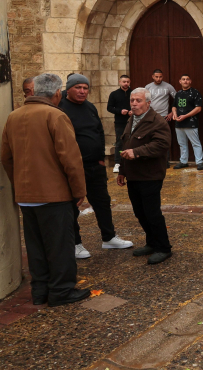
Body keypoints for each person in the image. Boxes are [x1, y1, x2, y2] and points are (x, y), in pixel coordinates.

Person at [1, 73, 91, 306]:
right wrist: (79, 190)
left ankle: (40, 290)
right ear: (57, 93)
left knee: (36, 246)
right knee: (60, 246)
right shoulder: (55, 115)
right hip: (54, 195)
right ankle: (61, 290)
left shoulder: (13, 116)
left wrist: (19, 184)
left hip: (26, 196)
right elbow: (70, 158)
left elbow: (6, 157)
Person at [60, 73, 134, 259]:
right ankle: (75, 243)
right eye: (78, 87)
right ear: (68, 89)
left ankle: (109, 237)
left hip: (95, 165)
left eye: (85, 88)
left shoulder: (90, 107)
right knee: (72, 205)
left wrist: (101, 158)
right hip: (74, 167)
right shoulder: (60, 108)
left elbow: (99, 132)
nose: (82, 91)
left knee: (102, 202)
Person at [117, 87, 173, 264]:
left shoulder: (157, 121)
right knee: (140, 212)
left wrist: (137, 152)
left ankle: (163, 248)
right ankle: (152, 242)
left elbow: (162, 144)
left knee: (152, 213)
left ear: (148, 103)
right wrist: (122, 170)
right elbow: (126, 144)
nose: (134, 104)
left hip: (150, 175)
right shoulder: (132, 118)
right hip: (133, 175)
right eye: (132, 100)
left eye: (138, 100)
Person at [172, 74, 203, 171]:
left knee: (195, 143)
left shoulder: (195, 93)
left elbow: (198, 108)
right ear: (180, 81)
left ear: (190, 81)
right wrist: (174, 114)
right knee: (182, 144)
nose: (185, 81)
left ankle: (199, 162)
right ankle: (183, 162)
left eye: (187, 79)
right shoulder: (178, 93)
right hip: (179, 123)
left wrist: (185, 116)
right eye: (183, 79)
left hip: (191, 123)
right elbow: (174, 106)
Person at [145, 69, 176, 168]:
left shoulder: (168, 86)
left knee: (164, 139)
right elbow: (144, 102)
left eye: (160, 77)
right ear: (152, 76)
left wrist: (172, 113)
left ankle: (165, 161)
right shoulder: (148, 87)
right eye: (156, 77)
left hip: (164, 117)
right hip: (151, 117)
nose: (158, 79)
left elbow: (177, 99)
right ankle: (152, 160)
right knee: (150, 138)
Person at [107, 75, 132, 173]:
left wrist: (133, 111)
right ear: (120, 82)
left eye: (127, 82)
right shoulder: (114, 94)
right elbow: (109, 107)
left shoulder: (133, 93)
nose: (126, 83)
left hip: (132, 121)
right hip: (120, 122)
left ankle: (132, 161)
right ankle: (118, 163)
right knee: (119, 142)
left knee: (133, 141)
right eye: (124, 82)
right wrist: (120, 111)